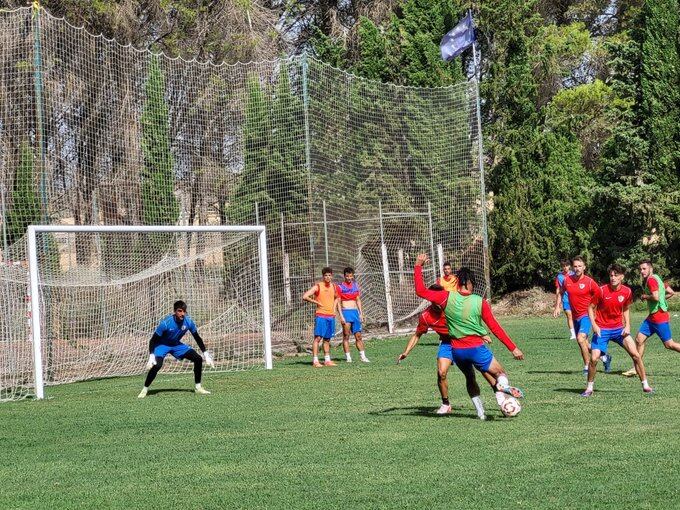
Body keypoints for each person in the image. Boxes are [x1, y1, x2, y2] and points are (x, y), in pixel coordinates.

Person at [413, 254, 525, 409]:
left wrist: (418, 265)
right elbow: (495, 328)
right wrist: (513, 348)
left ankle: (485, 408)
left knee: (470, 377)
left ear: (458, 282)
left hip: (456, 351)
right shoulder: (480, 302)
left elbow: (420, 291)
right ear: (470, 283)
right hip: (475, 347)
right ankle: (502, 389)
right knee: (500, 374)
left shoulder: (446, 297)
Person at [397, 284, 496, 419]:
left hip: (466, 341)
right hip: (447, 344)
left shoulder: (453, 306)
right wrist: (406, 352)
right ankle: (446, 404)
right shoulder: (426, 316)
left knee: (484, 371)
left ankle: (502, 397)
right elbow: (417, 335)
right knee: (441, 373)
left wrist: (481, 333)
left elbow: (470, 320)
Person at [582, 264, 652, 396]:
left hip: (619, 329)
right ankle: (589, 388)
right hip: (602, 329)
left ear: (622, 277)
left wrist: (628, 325)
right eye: (611, 275)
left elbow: (625, 308)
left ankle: (646, 385)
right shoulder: (601, 290)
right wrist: (594, 325)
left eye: (616, 275)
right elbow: (590, 308)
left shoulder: (627, 291)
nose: (613, 277)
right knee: (594, 359)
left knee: (636, 355)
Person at [138, 300, 214, 398]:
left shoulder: (188, 322)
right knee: (157, 365)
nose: (182, 314)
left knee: (198, 359)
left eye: (184, 311)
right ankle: (145, 389)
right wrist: (151, 356)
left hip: (176, 345)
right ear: (175, 311)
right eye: (179, 311)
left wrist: (206, 354)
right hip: (162, 345)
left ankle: (198, 388)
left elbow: (197, 338)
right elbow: (152, 340)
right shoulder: (165, 323)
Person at [622, 261, 678, 377]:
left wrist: (644, 296)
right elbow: (670, 292)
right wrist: (662, 299)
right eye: (640, 269)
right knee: (639, 339)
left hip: (659, 318)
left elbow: (656, 297)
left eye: (644, 269)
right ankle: (636, 367)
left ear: (650, 269)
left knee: (669, 344)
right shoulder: (657, 278)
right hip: (652, 317)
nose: (642, 271)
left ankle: (636, 367)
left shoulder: (651, 280)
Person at [553, 256, 602, 374]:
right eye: (575, 266)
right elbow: (561, 292)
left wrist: (597, 310)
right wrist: (557, 306)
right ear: (572, 267)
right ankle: (604, 357)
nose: (577, 268)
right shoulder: (567, 280)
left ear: (584, 267)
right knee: (583, 343)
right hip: (575, 317)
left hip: (586, 315)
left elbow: (600, 295)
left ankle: (587, 366)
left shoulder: (589, 282)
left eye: (580, 266)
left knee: (580, 339)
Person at [302, 267, 340, 367]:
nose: (328, 277)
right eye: (326, 275)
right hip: (321, 315)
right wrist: (316, 302)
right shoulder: (318, 286)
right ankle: (315, 361)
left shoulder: (334, 287)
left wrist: (334, 308)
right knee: (318, 338)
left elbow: (337, 298)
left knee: (327, 339)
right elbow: (305, 296)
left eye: (329, 275)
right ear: (323, 276)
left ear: (332, 276)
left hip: (330, 316)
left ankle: (327, 360)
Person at [337, 267, 370, 363]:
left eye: (351, 276)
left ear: (353, 276)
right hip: (346, 313)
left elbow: (358, 299)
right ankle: (348, 358)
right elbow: (338, 302)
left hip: (355, 313)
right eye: (347, 276)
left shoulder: (356, 285)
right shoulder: (340, 287)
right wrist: (341, 316)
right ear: (344, 276)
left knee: (358, 336)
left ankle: (363, 357)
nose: (349, 278)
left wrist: (361, 313)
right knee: (346, 336)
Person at [554, 259, 576, 340]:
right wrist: (558, 304)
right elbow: (558, 289)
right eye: (563, 266)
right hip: (566, 299)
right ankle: (573, 334)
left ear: (569, 266)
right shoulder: (559, 276)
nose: (565, 267)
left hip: (575, 299)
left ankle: (579, 331)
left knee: (577, 317)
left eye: (567, 265)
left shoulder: (574, 274)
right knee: (569, 315)